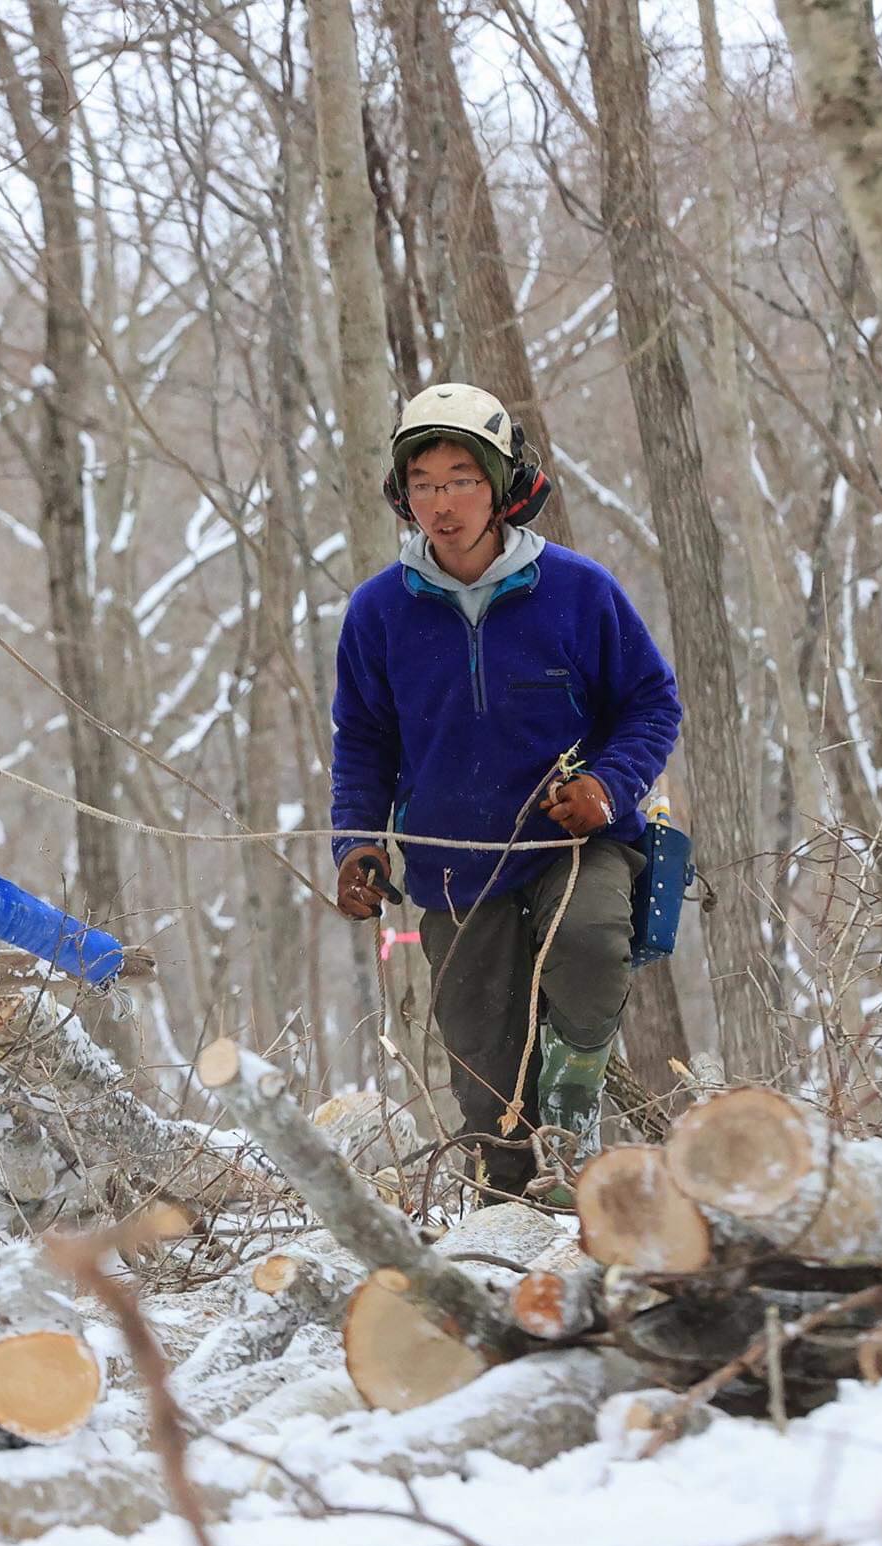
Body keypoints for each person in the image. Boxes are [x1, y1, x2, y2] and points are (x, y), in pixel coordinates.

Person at [328, 383, 682, 1200]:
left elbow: (652, 703)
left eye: (462, 478)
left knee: (592, 943)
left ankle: (574, 1111)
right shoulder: (378, 613)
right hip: (455, 860)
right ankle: (510, 1202)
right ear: (401, 492)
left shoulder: (579, 590)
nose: (442, 503)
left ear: (501, 484)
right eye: (422, 482)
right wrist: (357, 842)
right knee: (486, 1078)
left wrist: (607, 783)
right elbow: (365, 742)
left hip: (576, 838)